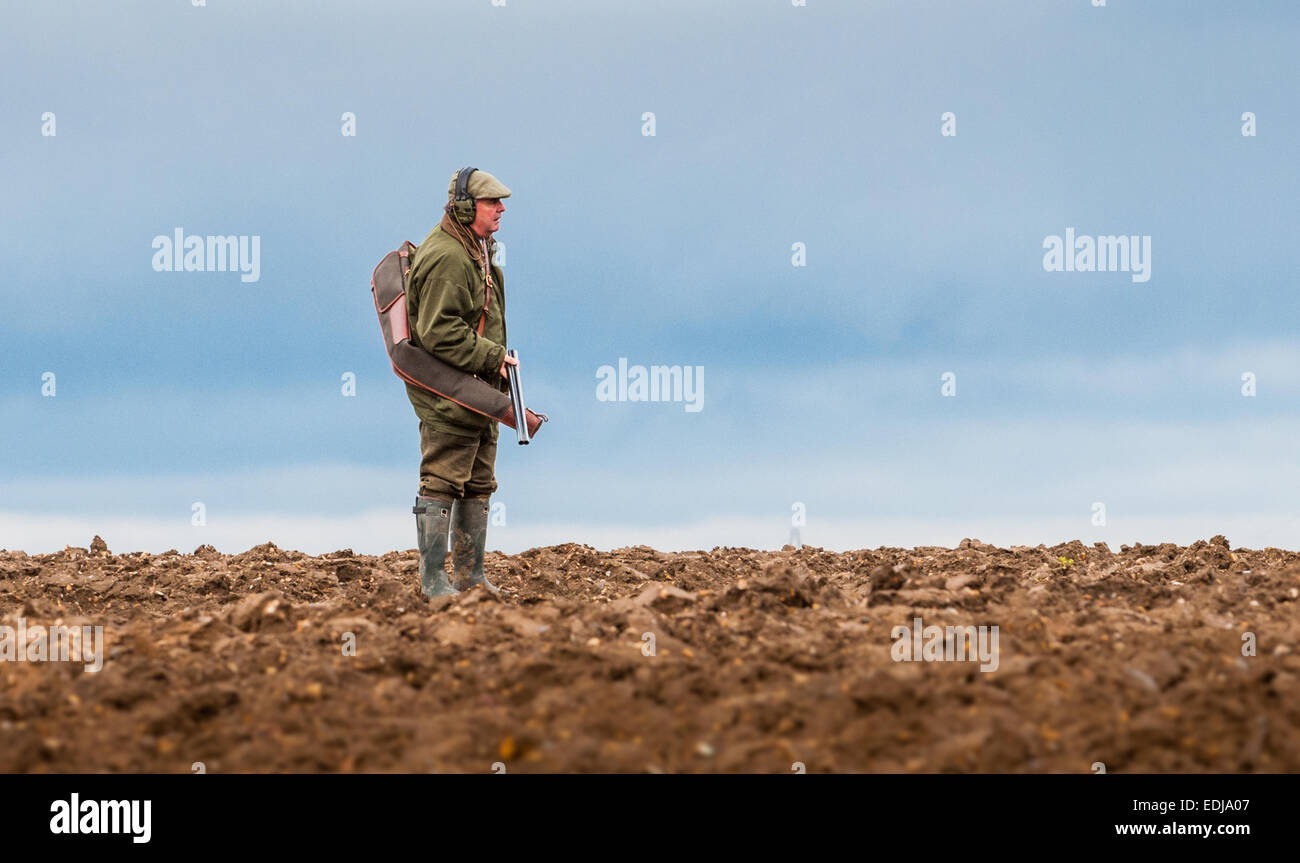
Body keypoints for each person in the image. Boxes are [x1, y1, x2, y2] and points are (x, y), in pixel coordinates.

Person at [406, 167, 516, 598]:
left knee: (476, 480)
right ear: (467, 207)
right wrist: (493, 357)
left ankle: (470, 577)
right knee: (441, 479)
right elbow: (439, 331)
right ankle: (433, 581)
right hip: (449, 391)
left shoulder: (476, 249)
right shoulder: (450, 257)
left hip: (476, 388)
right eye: (493, 203)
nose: (501, 209)